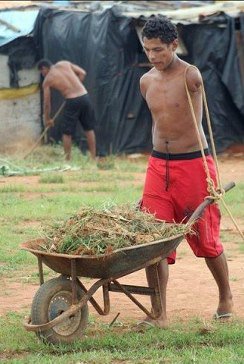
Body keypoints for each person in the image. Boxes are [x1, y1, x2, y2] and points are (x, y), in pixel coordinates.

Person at [139, 15, 233, 328]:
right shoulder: (146, 81)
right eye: (148, 50)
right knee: (154, 241)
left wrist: (193, 79)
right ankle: (160, 314)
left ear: (174, 45)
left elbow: (197, 90)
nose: (153, 56)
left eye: (159, 50)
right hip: (158, 167)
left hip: (194, 164)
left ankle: (226, 297)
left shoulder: (190, 75)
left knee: (206, 240)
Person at [37, 59, 96, 161]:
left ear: (44, 68)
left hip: (72, 100)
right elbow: (82, 73)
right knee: (88, 129)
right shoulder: (64, 63)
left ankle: (67, 161)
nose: (43, 75)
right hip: (84, 96)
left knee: (66, 133)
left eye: (42, 72)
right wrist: (76, 86)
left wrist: (47, 119)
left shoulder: (47, 80)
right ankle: (93, 157)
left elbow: (47, 103)